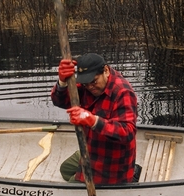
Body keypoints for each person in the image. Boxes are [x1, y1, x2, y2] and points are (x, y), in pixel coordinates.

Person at [51, 53, 138, 185]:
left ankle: (130, 174)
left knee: (71, 185)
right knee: (65, 170)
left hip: (111, 163)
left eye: (94, 81)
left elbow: (127, 132)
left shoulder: (123, 92)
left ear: (106, 71)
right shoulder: (88, 86)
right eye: (86, 83)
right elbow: (60, 101)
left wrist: (93, 121)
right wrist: (62, 82)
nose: (90, 87)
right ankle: (135, 170)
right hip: (93, 149)